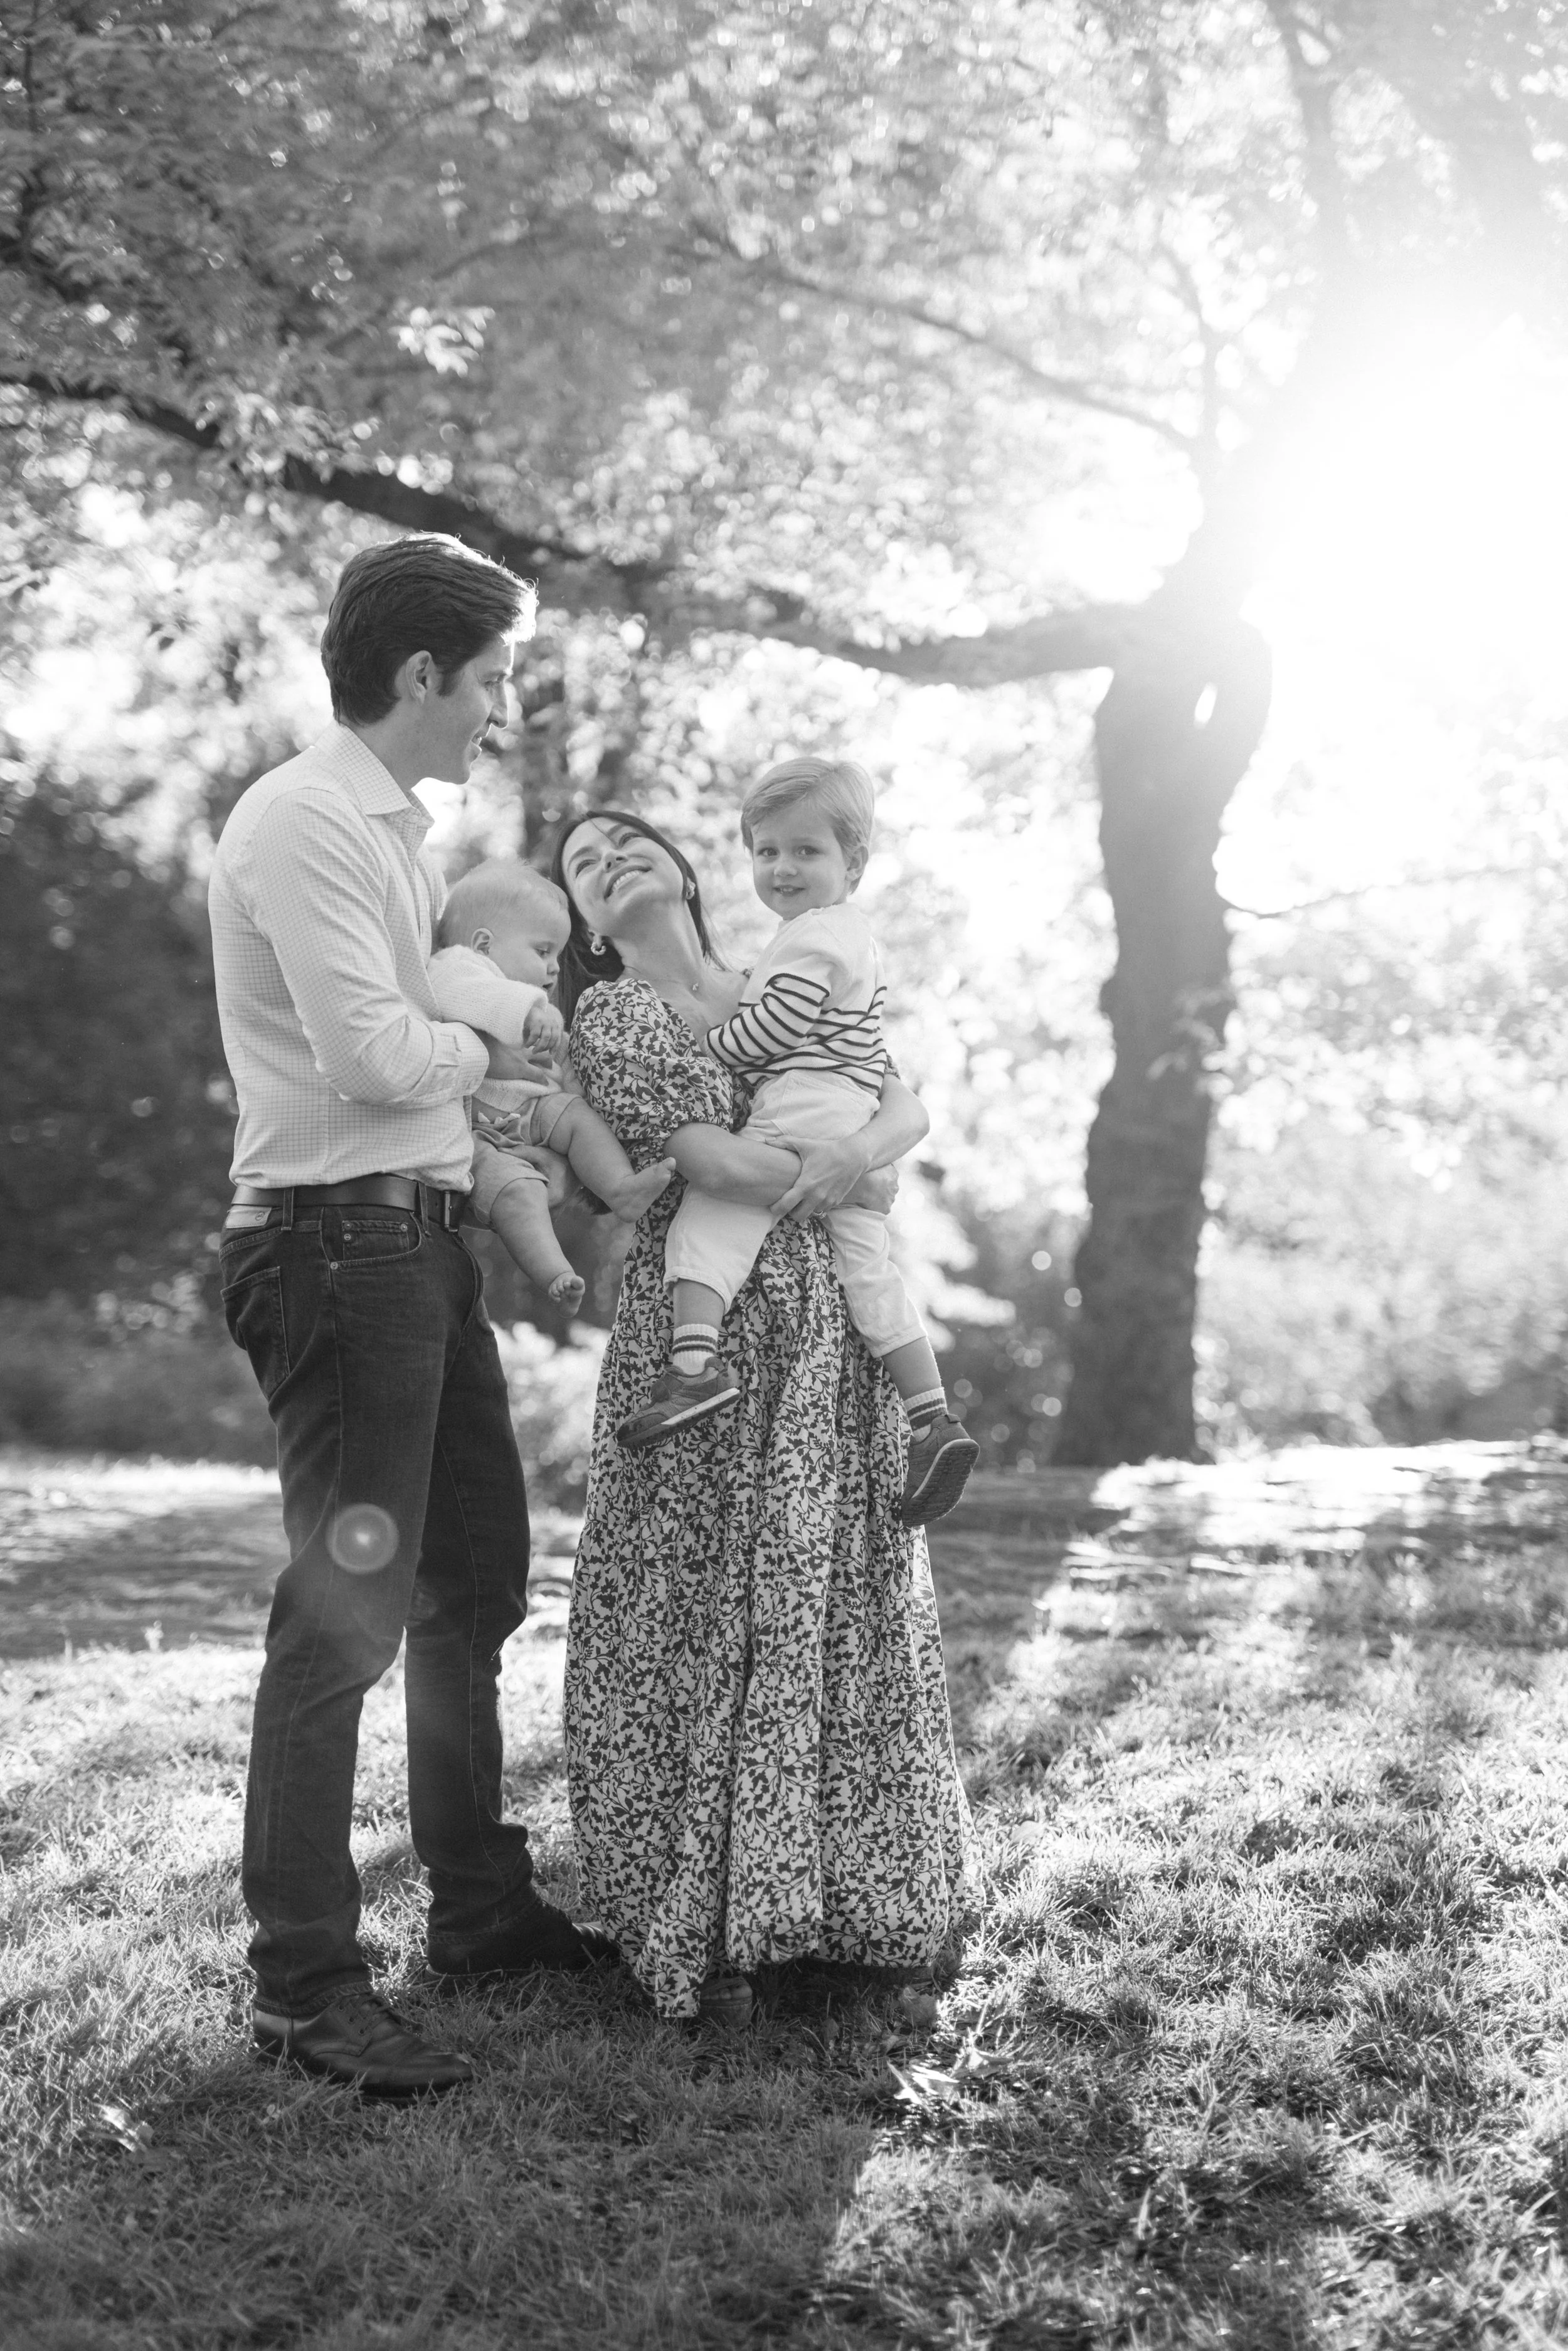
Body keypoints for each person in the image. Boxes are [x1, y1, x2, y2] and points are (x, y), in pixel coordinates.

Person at [208, 533, 610, 2101]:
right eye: (494, 677)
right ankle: (304, 1983)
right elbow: (377, 1053)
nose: (503, 708)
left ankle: (482, 1909)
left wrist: (468, 1051)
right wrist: (494, 1063)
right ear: (422, 672)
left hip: (419, 1247)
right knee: (345, 1618)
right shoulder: (305, 817)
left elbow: (418, 1021)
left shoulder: (397, 832)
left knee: (470, 1589)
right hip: (333, 1247)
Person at [551, 808, 973, 2025]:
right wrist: (847, 1169)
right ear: (582, 917)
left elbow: (900, 1107)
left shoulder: (785, 971)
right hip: (705, 1327)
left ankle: (845, 1904)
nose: (610, 859)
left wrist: (869, 1156)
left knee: (826, 1580)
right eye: (583, 862)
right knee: (696, 1587)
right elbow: (722, 1168)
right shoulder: (612, 1018)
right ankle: (715, 1916)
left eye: (628, 842)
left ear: (685, 869)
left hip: (828, 1330)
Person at [617, 756, 980, 1529]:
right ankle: (932, 1417)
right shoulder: (837, 936)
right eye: (766, 850)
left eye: (805, 851)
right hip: (846, 1113)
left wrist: (706, 1046)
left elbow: (770, 1033)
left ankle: (692, 1366)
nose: (781, 866)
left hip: (806, 1106)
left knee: (711, 1219)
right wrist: (862, 1162)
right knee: (869, 1273)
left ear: (854, 862)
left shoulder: (814, 937)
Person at [428, 857, 675, 1311]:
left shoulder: (523, 997)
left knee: (578, 1118)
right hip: (478, 1134)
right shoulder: (457, 966)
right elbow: (470, 995)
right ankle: (554, 1272)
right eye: (543, 951)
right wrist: (531, 1014)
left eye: (557, 955)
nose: (555, 967)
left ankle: (621, 1188)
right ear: (483, 945)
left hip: (530, 1110)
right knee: (517, 1192)